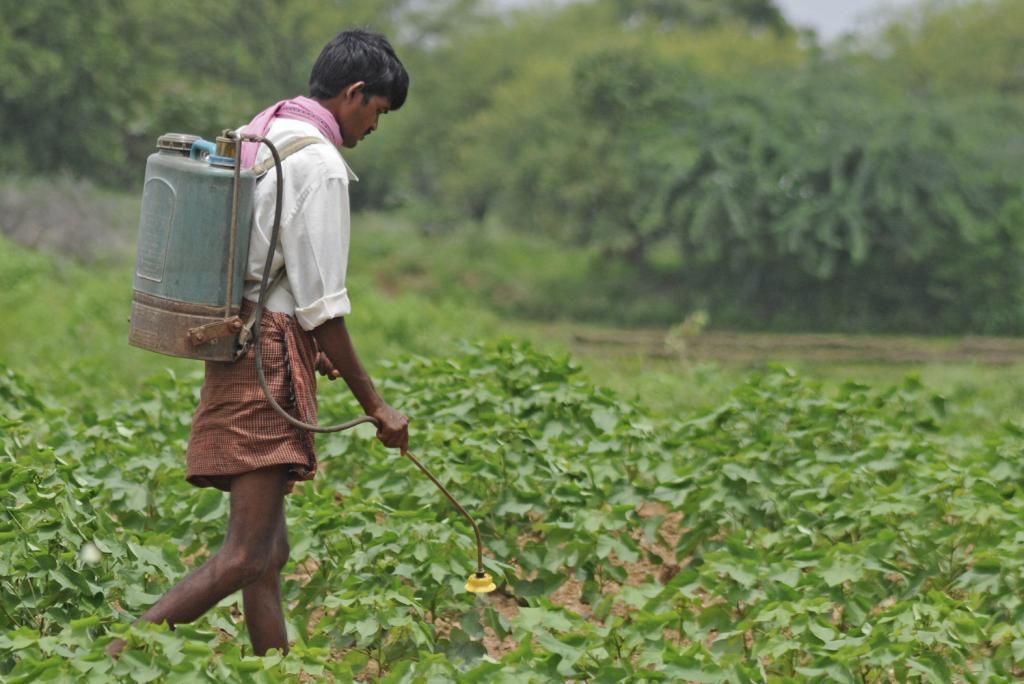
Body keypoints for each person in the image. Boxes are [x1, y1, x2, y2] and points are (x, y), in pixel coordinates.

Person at [108, 28, 410, 658]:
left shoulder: (268, 132)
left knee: (269, 553)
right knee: (246, 554)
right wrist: (377, 407)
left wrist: (312, 340)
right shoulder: (321, 164)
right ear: (355, 93)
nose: (375, 126)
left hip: (244, 336)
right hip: (267, 357)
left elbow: (268, 268)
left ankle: (272, 670)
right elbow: (324, 307)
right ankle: (108, 659)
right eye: (377, 110)